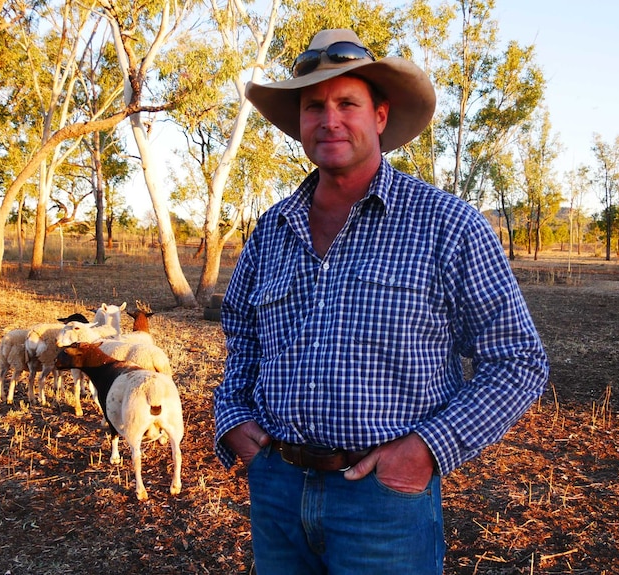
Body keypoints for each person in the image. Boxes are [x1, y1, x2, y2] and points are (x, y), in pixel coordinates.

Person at [213, 28, 549, 575]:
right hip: (277, 488)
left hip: (382, 501)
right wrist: (231, 417)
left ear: (381, 117)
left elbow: (517, 362)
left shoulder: (447, 225)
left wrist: (426, 450)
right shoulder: (272, 229)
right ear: (299, 122)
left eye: (348, 103)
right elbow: (244, 337)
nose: (331, 119)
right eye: (315, 106)